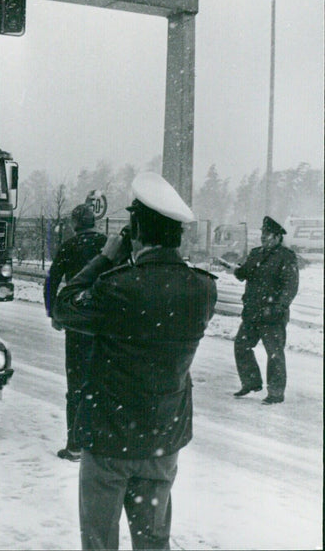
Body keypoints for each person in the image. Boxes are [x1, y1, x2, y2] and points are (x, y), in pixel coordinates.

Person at [53, 172, 217, 550]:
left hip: (111, 438)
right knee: (153, 541)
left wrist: (105, 257)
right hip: (163, 439)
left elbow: (65, 305)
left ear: (136, 229)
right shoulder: (202, 289)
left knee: (100, 540)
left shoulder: (117, 286)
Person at [44, 203, 107, 461]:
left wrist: (54, 313)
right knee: (104, 383)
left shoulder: (69, 246)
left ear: (74, 224)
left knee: (77, 386)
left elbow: (52, 279)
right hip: (106, 323)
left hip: (78, 323)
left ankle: (75, 445)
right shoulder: (107, 245)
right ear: (94, 222)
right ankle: (102, 442)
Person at [229, 215, 299, 405]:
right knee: (241, 346)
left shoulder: (286, 257)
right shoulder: (256, 253)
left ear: (277, 237)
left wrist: (279, 307)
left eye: (267, 234)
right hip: (252, 312)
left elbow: (290, 286)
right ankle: (251, 382)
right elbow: (244, 273)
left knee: (274, 353)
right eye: (262, 233)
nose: (263, 237)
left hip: (272, 315)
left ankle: (276, 393)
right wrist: (236, 269)